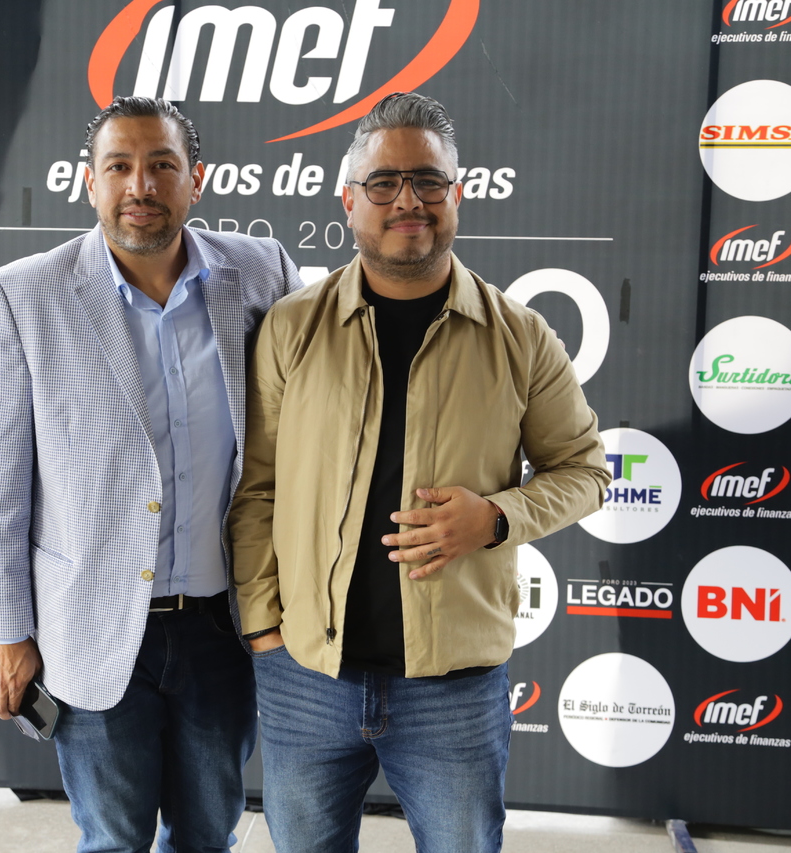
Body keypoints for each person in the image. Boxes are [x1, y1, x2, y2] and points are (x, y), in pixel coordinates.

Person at [230, 92, 611, 853]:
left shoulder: (520, 336)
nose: (409, 200)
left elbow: (585, 471)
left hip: (454, 688)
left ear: (455, 194)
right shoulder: (293, 327)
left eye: (428, 181)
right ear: (349, 201)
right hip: (307, 676)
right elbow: (256, 489)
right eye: (384, 182)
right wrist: (265, 628)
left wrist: (495, 517)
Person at [0, 96, 302, 853]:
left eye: (161, 165)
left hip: (223, 626)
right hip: (90, 624)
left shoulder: (263, 272)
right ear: (90, 182)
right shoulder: (24, 295)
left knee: (208, 836)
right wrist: (6, 631)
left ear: (196, 180)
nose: (139, 186)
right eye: (118, 166)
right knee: (113, 840)